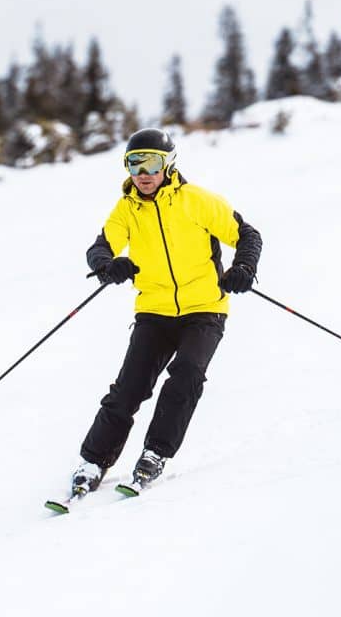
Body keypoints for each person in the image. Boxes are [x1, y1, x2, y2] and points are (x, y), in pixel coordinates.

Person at [71, 127, 262, 493]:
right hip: (155, 311)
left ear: (169, 164)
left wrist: (244, 269)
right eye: (134, 164)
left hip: (205, 308)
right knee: (129, 389)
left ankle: (155, 454)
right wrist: (109, 266)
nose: (143, 173)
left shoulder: (197, 200)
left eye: (151, 163)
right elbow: (100, 247)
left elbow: (248, 235)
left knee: (186, 375)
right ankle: (92, 462)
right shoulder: (126, 209)